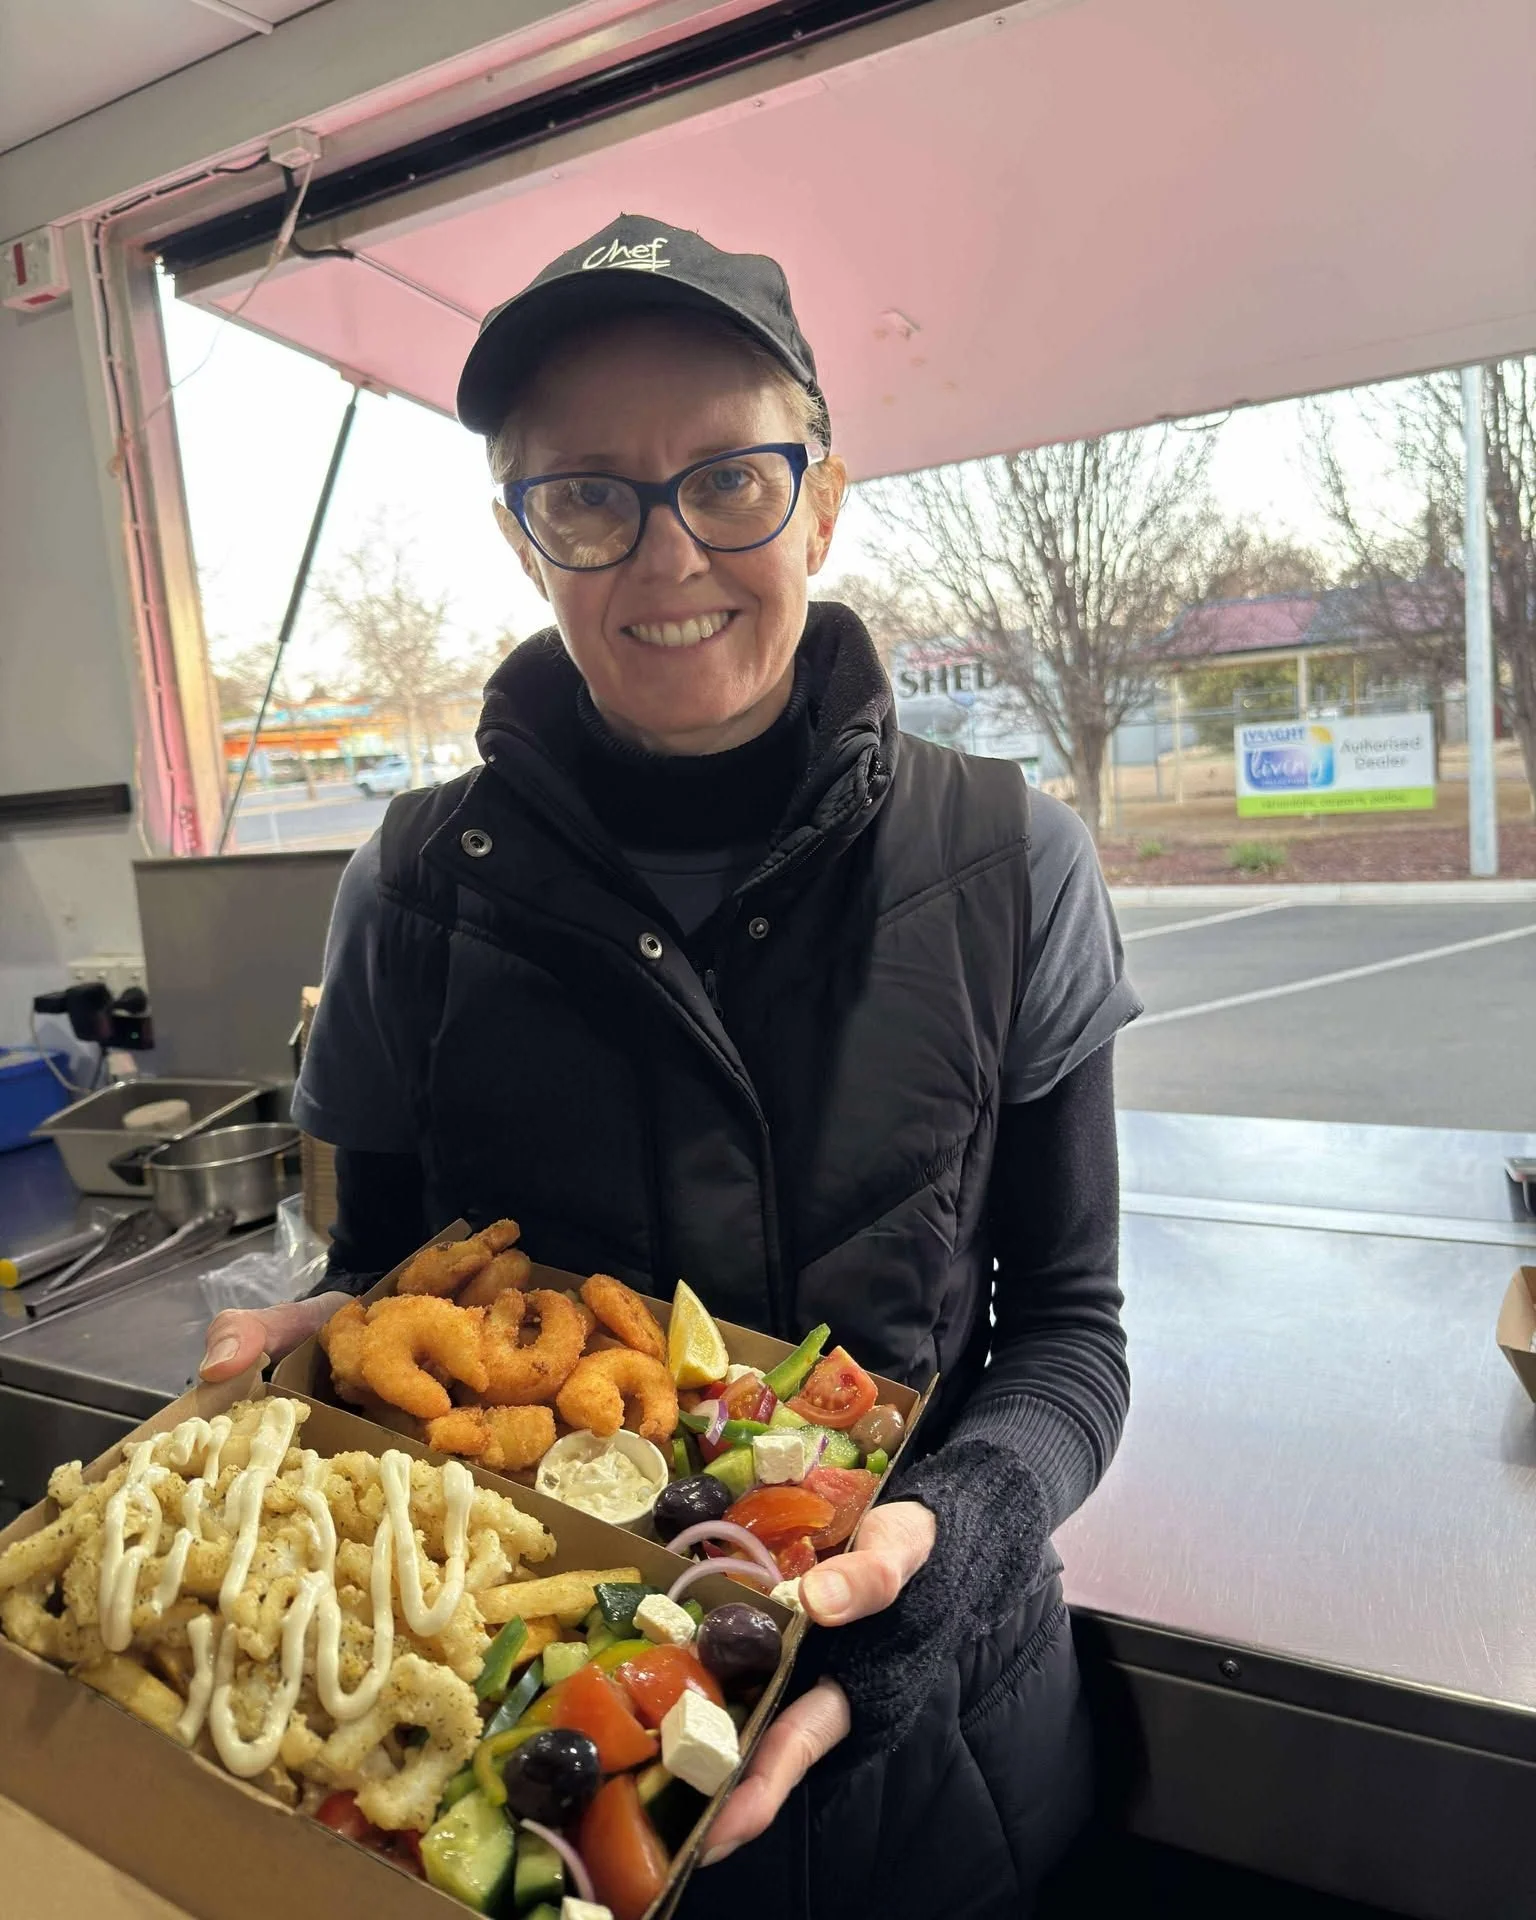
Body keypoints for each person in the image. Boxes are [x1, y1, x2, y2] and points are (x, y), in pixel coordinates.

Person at [200, 214, 1138, 1919]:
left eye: (729, 479)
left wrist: (948, 1557)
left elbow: (1072, 1337)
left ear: (824, 500)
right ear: (524, 537)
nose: (667, 555)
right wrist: (314, 1336)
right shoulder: (413, 885)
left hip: (937, 1770)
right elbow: (379, 1280)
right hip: (530, 1761)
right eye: (587, 496)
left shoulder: (1013, 863)